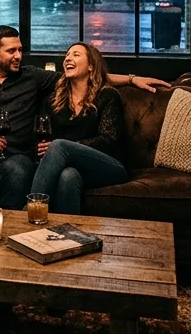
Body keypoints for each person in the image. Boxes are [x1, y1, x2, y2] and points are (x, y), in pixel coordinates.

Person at [0, 26, 168, 209]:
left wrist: (131, 79)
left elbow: (87, 76)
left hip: (15, 155)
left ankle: (20, 221)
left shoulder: (31, 77)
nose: (19, 56)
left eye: (20, 50)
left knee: (20, 173)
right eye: (11, 51)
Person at [28, 43, 128, 214]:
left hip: (109, 166)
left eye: (76, 55)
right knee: (69, 176)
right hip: (72, 168)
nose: (68, 58)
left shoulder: (107, 96)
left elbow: (109, 140)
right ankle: (66, 236)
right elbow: (44, 137)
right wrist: (45, 148)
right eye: (67, 55)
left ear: (91, 66)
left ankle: (31, 209)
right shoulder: (54, 100)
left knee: (59, 145)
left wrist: (68, 147)